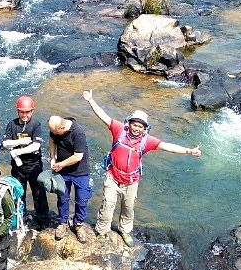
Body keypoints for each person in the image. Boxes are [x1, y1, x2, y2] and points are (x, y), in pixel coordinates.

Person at [83, 91, 202, 243]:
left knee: (128, 208)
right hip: (113, 177)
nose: (137, 128)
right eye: (135, 124)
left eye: (140, 126)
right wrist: (91, 100)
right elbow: (103, 116)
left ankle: (124, 231)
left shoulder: (147, 141)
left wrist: (188, 151)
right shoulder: (119, 130)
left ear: (145, 128)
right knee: (107, 205)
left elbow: (167, 147)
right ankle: (102, 231)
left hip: (131, 181)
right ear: (129, 123)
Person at [1, 95, 49, 227]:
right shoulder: (12, 124)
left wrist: (18, 151)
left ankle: (43, 219)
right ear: (18, 111)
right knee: (18, 191)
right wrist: (19, 142)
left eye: (27, 112)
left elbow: (36, 146)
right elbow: (5, 143)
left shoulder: (36, 125)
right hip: (17, 167)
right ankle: (19, 215)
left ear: (32, 111)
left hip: (34, 166)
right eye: (22, 112)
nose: (24, 115)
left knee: (39, 192)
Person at [48, 114, 92, 235]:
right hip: (62, 170)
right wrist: (52, 158)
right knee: (62, 197)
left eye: (56, 132)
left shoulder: (78, 133)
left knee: (82, 199)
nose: (54, 134)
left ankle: (78, 224)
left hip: (80, 171)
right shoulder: (55, 129)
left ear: (62, 128)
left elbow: (78, 156)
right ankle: (63, 222)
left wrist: (61, 164)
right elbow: (51, 140)